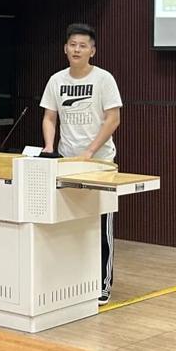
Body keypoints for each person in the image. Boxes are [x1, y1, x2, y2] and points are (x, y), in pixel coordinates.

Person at [40, 22, 122, 304]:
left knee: (100, 224)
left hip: (100, 164)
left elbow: (113, 119)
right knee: (68, 223)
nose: (77, 49)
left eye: (83, 45)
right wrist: (49, 148)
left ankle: (102, 284)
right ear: (65, 48)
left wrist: (90, 150)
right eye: (72, 44)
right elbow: (49, 117)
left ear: (92, 51)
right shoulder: (56, 80)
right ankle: (72, 280)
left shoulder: (104, 79)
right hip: (66, 163)